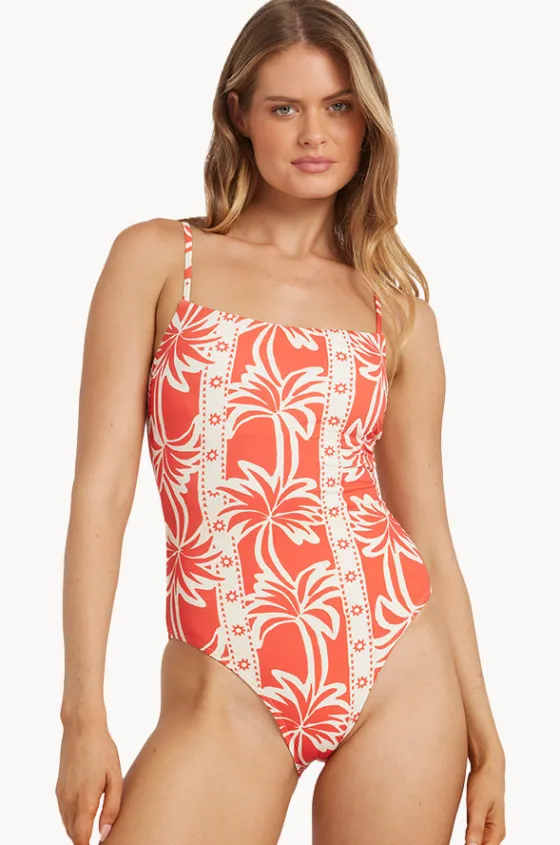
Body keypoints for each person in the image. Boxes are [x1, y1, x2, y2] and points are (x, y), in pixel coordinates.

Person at [55, 1, 506, 843]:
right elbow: (101, 492)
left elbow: (430, 533)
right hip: (223, 682)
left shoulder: (399, 317)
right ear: (239, 114)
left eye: (338, 106)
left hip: (398, 664)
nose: (314, 134)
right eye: (284, 107)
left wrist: (488, 732)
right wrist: (83, 712)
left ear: (367, 122)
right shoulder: (159, 260)